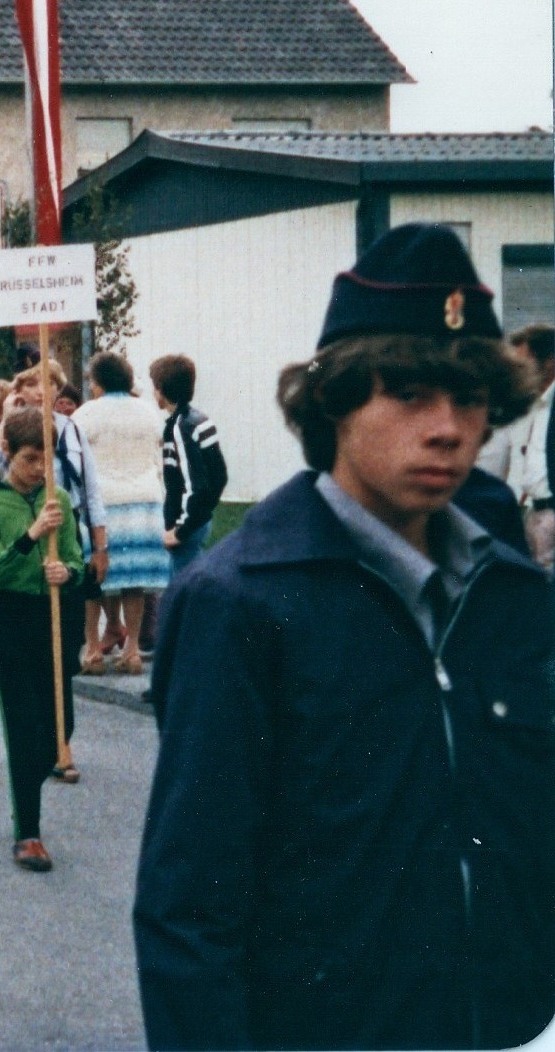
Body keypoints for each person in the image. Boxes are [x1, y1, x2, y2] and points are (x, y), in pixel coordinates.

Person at [134, 222, 554, 1052]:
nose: (447, 427)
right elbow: (190, 909)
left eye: (470, 398)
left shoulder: (509, 591)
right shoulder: (241, 602)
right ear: (333, 399)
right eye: (408, 394)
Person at [0, 407, 84, 871]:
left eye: (47, 458)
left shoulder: (57, 500)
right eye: (31, 458)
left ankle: (28, 787)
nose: (41, 469)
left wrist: (67, 570)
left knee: (61, 729)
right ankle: (29, 832)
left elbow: (76, 558)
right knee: (24, 728)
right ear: (8, 453)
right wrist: (32, 534)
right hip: (12, 616)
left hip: (55, 615)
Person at [73, 353, 170, 675]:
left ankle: (92, 649)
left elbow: (77, 461)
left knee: (94, 576)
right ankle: (131, 652)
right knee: (135, 580)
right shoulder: (148, 412)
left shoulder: (86, 414)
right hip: (145, 498)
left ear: (98, 382)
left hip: (103, 500)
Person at [148, 354, 228, 578]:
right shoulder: (200, 419)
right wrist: (204, 512)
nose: (153, 393)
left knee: (184, 592)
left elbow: (194, 483)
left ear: (163, 389)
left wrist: (181, 530)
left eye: (154, 387)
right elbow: (220, 476)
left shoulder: (181, 427)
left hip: (186, 527)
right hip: (199, 521)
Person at [504, 322, 554, 569]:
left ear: (549, 362)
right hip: (534, 513)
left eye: (523, 363)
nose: (517, 371)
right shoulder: (532, 405)